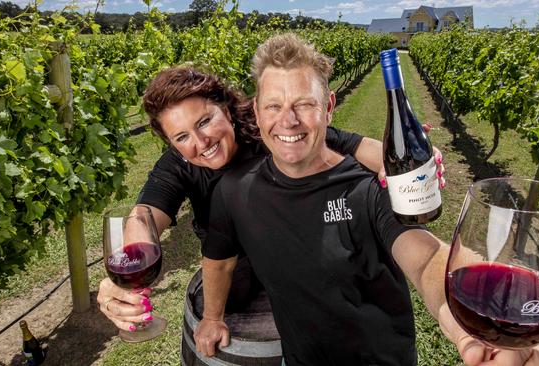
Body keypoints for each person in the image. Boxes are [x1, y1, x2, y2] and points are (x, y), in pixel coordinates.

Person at [194, 33, 539, 365]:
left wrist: (486, 324)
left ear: (329, 106)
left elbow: (428, 259)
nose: (288, 121)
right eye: (274, 106)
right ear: (257, 112)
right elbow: (219, 259)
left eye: (304, 104)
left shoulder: (368, 188)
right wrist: (212, 317)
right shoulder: (234, 190)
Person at [95, 67, 441, 337]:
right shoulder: (177, 165)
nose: (200, 142)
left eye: (205, 121)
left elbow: (349, 143)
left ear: (227, 111)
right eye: (182, 136)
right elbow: (143, 217)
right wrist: (123, 272)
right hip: (236, 272)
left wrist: (407, 163)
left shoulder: (269, 128)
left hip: (301, 258)